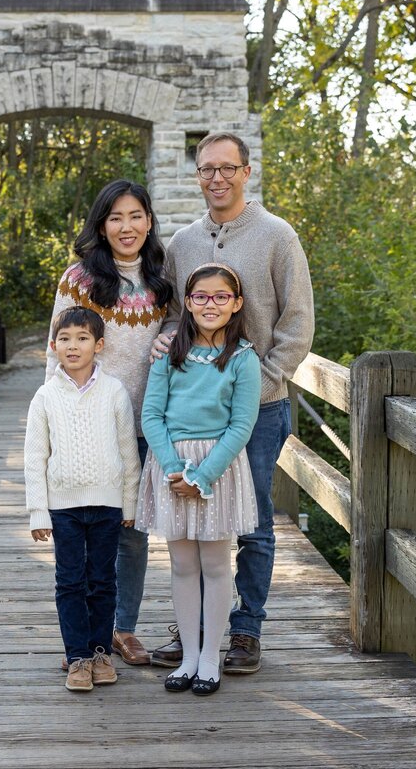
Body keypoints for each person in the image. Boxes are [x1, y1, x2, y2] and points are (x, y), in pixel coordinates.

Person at [151, 132, 315, 675]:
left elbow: (297, 323)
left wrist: (263, 381)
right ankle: (197, 631)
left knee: (253, 520)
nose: (216, 178)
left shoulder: (276, 236)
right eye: (206, 169)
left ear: (247, 171)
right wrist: (163, 342)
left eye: (227, 168)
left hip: (260, 408)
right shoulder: (182, 243)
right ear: (196, 175)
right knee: (194, 523)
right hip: (192, 415)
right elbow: (177, 317)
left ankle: (245, 630)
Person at [44, 179, 172, 666]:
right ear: (101, 224)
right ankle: (85, 638)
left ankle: (123, 628)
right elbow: (58, 353)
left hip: (146, 424)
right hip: (88, 427)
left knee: (132, 531)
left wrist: (173, 330)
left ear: (149, 221)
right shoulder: (79, 279)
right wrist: (57, 427)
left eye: (136, 216)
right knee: (83, 536)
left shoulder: (162, 278)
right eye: (115, 217)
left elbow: (185, 322)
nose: (127, 226)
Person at [137, 264, 261, 696]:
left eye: (221, 297)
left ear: (237, 303)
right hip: (171, 464)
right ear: (187, 303)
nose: (211, 304)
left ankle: (211, 656)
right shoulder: (169, 353)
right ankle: (189, 655)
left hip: (219, 468)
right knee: (182, 565)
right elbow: (152, 414)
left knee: (214, 562)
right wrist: (174, 468)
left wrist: (203, 475)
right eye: (201, 297)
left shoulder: (244, 359)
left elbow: (242, 425)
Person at [25, 306, 141, 692]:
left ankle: (99, 651)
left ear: (99, 344)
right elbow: (34, 458)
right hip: (63, 507)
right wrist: (38, 512)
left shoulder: (114, 392)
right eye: (64, 339)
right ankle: (77, 658)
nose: (72, 346)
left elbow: (128, 452)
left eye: (82, 338)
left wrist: (130, 503)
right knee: (70, 581)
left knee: (103, 580)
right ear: (53, 345)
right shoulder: (44, 396)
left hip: (107, 505)